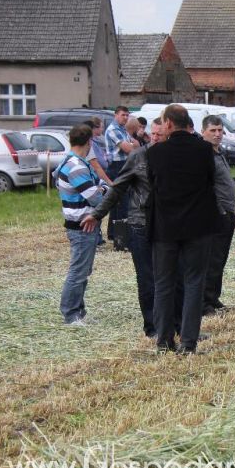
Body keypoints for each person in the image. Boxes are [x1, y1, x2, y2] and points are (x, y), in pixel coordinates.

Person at [147, 105, 221, 354]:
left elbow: (153, 184)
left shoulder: (156, 153)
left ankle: (164, 340)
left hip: (165, 227)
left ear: (167, 124)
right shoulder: (203, 150)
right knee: (194, 282)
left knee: (164, 283)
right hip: (198, 225)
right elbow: (211, 180)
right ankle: (188, 342)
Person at [83, 118, 165, 338]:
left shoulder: (174, 158)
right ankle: (152, 327)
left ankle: (175, 324)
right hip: (141, 224)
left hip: (168, 225)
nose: (156, 138)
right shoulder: (138, 156)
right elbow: (118, 189)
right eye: (153, 134)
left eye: (161, 134)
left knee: (172, 278)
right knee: (147, 278)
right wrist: (97, 214)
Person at [55, 124, 108, 325]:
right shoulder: (76, 167)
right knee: (78, 272)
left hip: (82, 224)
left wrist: (100, 187)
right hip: (81, 226)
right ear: (89, 142)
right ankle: (71, 314)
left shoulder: (69, 161)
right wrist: (103, 188)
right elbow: (97, 198)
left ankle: (79, 311)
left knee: (83, 270)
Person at [200, 115, 235, 317]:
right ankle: (205, 303)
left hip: (228, 212)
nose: (217, 134)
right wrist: (219, 210)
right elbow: (207, 187)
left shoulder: (219, 153)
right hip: (217, 214)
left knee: (220, 259)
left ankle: (213, 298)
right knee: (212, 260)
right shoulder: (204, 155)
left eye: (220, 130)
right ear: (203, 131)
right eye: (213, 130)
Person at [104, 106, 139, 242]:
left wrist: (132, 146)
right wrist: (132, 146)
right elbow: (129, 148)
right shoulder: (113, 130)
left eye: (127, 115)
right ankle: (122, 236)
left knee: (117, 201)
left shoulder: (122, 129)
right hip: (116, 167)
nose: (125, 118)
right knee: (122, 201)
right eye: (123, 115)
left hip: (123, 165)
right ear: (115, 115)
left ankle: (114, 233)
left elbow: (135, 144)